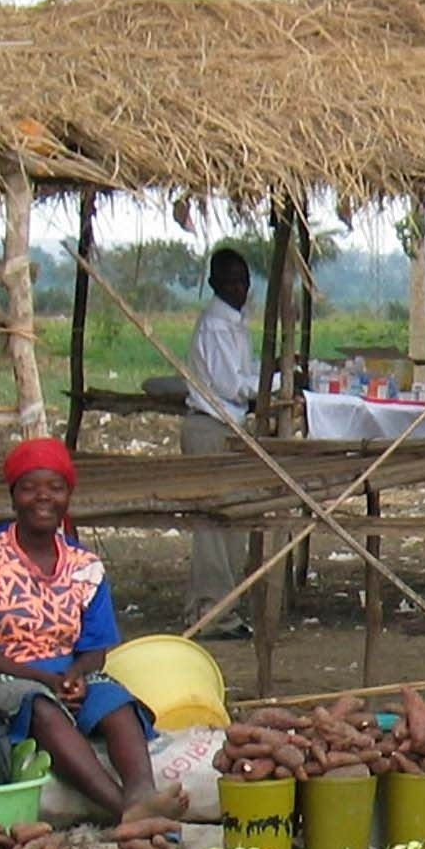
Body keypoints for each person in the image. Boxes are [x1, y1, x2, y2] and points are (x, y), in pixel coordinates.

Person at [0, 440, 179, 823]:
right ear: (13, 496)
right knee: (40, 705)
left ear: (69, 495)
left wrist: (75, 675)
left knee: (115, 703)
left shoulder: (85, 565)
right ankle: (125, 812)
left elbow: (95, 649)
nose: (43, 498)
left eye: (55, 488)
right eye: (29, 487)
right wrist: (44, 680)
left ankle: (142, 793)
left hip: (60, 675)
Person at [182, 248, 258, 640]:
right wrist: (273, 384)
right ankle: (214, 614)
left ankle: (222, 607)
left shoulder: (235, 322)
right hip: (211, 428)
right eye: (230, 282)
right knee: (214, 527)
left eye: (243, 281)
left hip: (228, 428)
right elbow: (234, 385)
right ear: (214, 284)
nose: (239, 289)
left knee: (231, 525)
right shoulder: (216, 324)